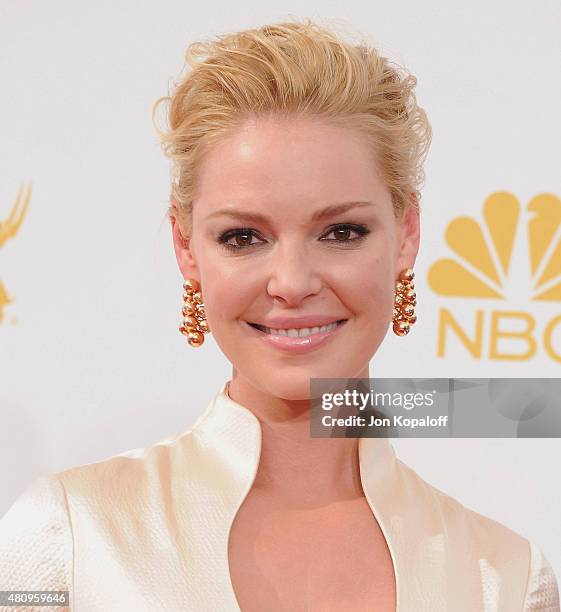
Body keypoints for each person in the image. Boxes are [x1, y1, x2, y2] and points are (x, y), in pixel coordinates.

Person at [0, 18, 558, 612]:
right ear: (186, 246)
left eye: (341, 232)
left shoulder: (502, 577)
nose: (291, 283)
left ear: (406, 234)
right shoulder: (69, 540)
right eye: (243, 237)